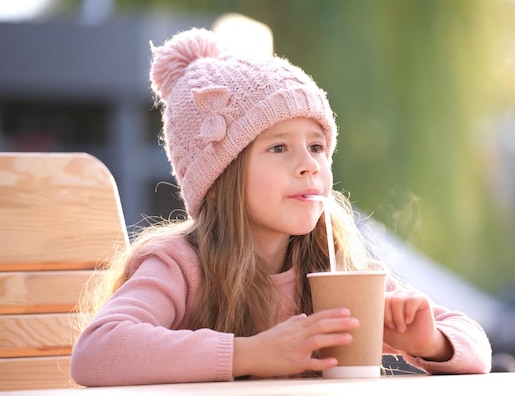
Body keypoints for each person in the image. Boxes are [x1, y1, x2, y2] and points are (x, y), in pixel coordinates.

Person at [70, 27, 492, 386]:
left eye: (316, 146)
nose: (309, 165)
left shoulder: (332, 266)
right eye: (278, 147)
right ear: (216, 180)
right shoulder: (181, 265)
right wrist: (249, 354)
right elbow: (97, 350)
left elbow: (474, 344)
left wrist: (429, 342)